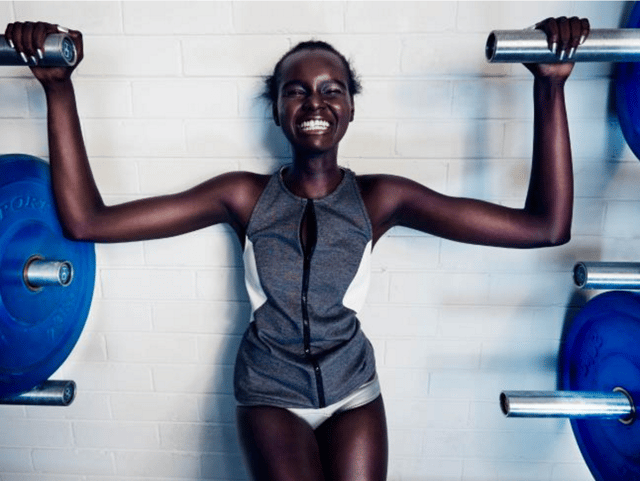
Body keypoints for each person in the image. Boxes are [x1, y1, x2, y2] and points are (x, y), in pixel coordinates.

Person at [5, 16, 590, 481]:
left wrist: (549, 89)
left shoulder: (382, 198)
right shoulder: (241, 195)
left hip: (355, 390)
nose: (315, 103)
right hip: (269, 392)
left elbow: (544, 226)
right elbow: (87, 222)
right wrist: (59, 89)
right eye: (297, 91)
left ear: (351, 108)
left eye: (331, 90)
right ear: (279, 111)